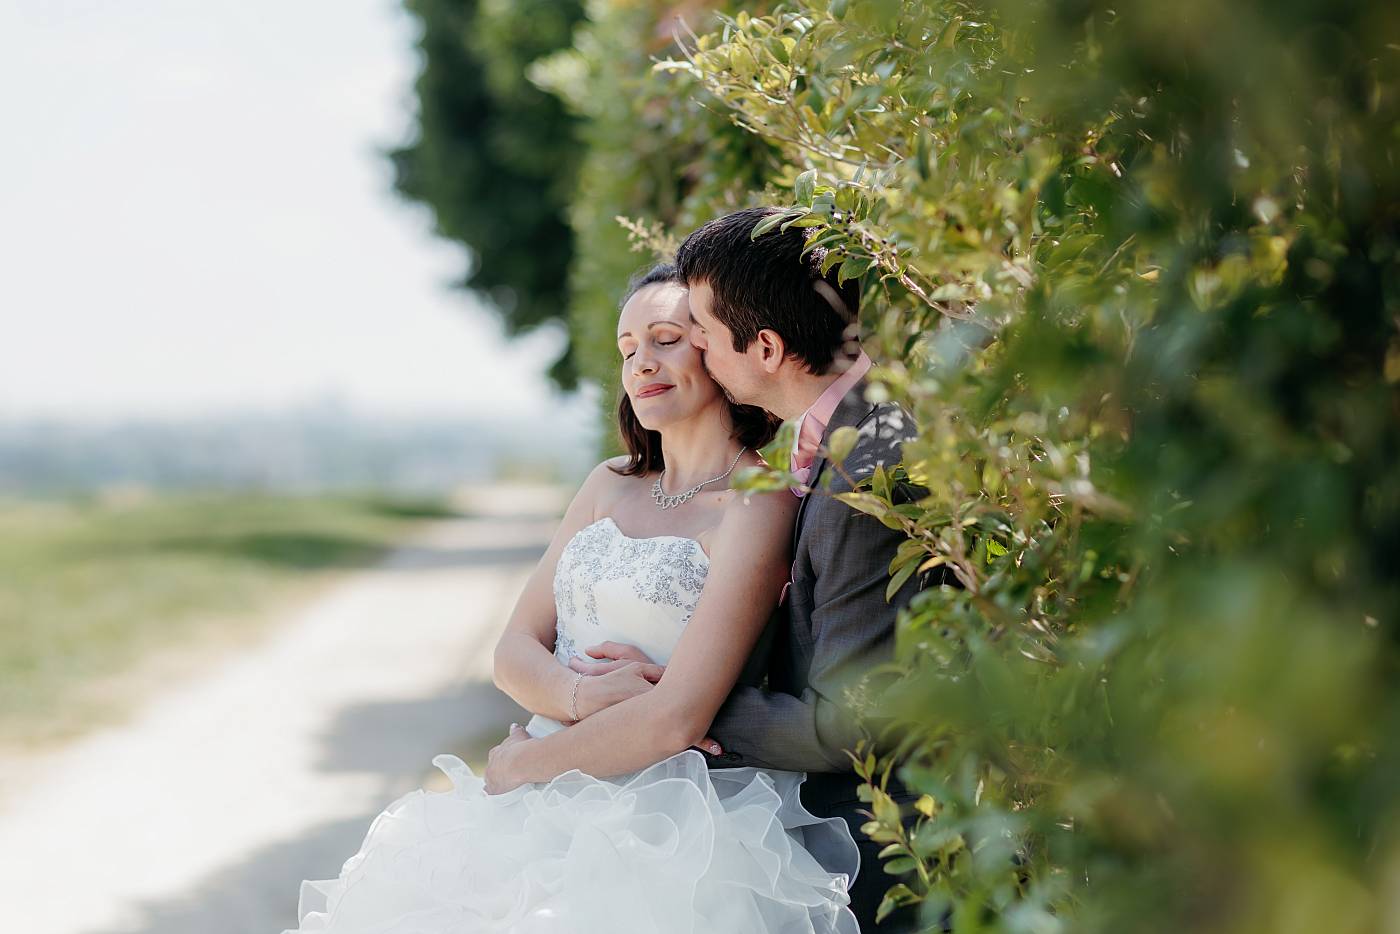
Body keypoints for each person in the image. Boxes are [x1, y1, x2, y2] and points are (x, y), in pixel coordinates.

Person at [282, 262, 860, 934]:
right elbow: (511, 652)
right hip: (538, 796)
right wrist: (577, 697)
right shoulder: (606, 484)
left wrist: (524, 764)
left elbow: (674, 722)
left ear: (714, 346)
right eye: (627, 348)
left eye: (666, 338)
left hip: (667, 822)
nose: (642, 361)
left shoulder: (755, 506)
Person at [569, 208, 931, 932]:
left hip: (876, 859)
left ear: (764, 346)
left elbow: (851, 728)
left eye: (698, 328)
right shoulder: (836, 440)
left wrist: (680, 702)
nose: (694, 346)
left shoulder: (870, 467)